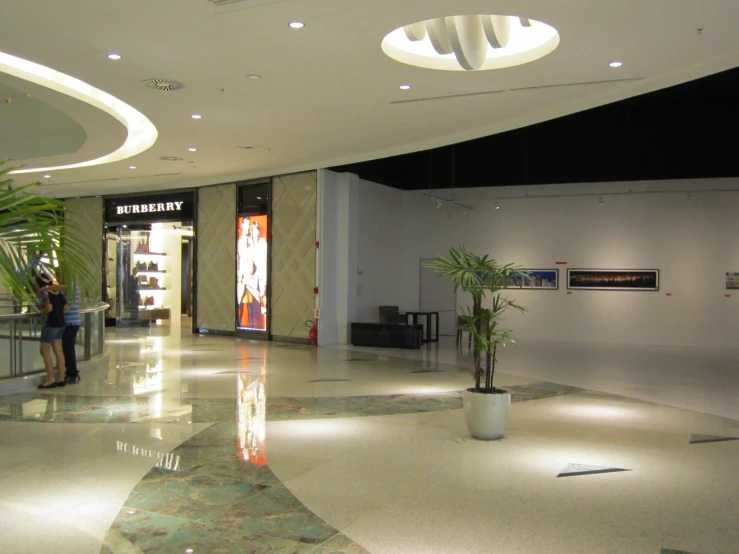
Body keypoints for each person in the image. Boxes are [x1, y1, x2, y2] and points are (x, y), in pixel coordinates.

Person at [43, 282, 81, 384]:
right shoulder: (59, 291)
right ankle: (65, 374)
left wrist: (46, 287)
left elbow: (66, 287)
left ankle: (73, 373)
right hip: (64, 323)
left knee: (68, 348)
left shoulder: (72, 286)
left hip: (71, 323)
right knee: (62, 349)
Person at [35, 274, 68, 389]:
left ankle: (50, 379)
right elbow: (66, 308)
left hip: (50, 324)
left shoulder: (44, 293)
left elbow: (49, 308)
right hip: (61, 324)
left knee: (44, 351)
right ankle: (61, 378)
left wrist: (41, 312)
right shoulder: (57, 292)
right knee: (58, 350)